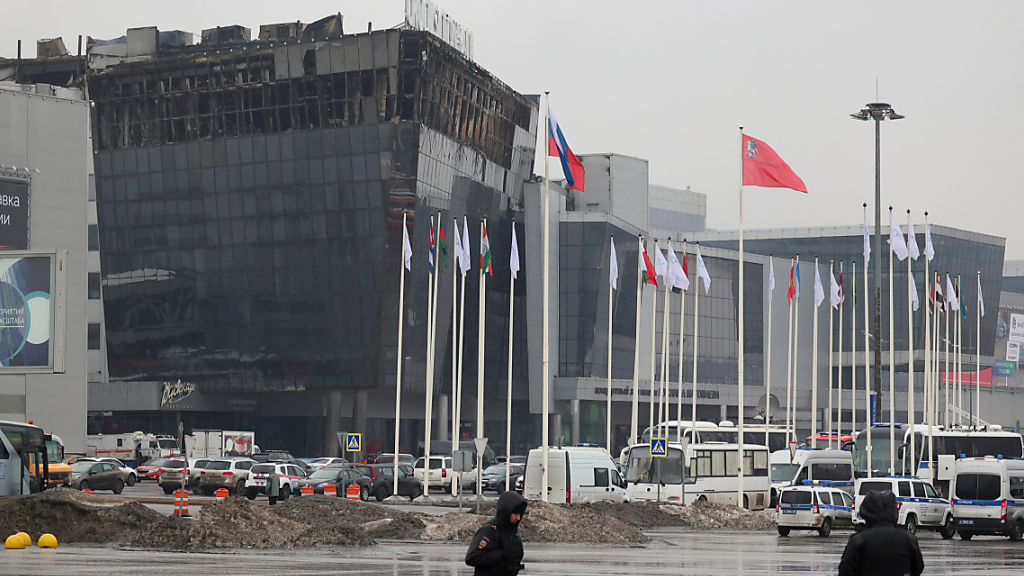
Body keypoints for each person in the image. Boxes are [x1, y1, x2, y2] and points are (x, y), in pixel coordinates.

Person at [838, 490, 924, 576]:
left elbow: (845, 570)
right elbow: (918, 567)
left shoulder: (859, 540)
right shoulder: (908, 539)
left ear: (865, 512)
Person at [466, 491, 527, 576]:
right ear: (506, 512)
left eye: (520, 515)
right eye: (515, 514)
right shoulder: (490, 531)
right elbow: (472, 558)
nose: (518, 518)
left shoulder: (511, 533)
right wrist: (502, 553)